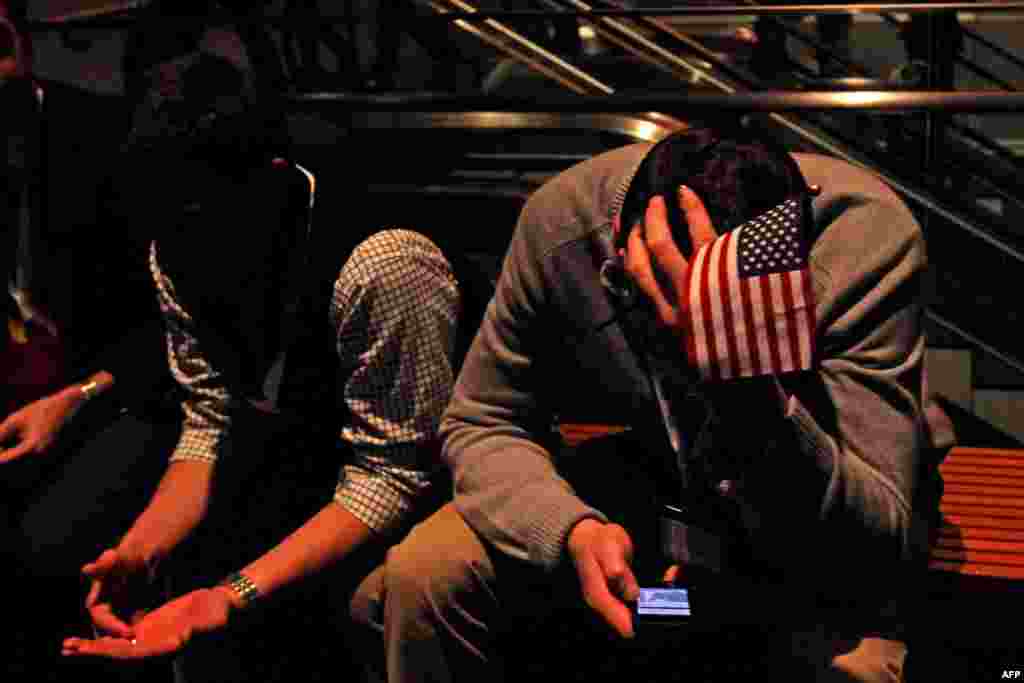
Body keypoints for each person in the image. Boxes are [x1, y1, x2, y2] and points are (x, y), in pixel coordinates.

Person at [349, 124, 928, 682]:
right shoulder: (564, 226)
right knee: (422, 576)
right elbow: (484, 417)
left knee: (857, 667)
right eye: (644, 306)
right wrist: (570, 532)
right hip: (651, 499)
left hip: (803, 529)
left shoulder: (863, 241)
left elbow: (876, 544)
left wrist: (745, 389)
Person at [57, 51, 461, 682]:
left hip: (442, 477)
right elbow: (208, 420)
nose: (179, 254)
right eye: (165, 225)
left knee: (349, 605)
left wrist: (231, 596)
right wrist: (139, 551)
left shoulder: (380, 262)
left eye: (198, 220)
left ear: (269, 180)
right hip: (311, 460)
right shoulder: (177, 248)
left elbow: (393, 474)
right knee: (164, 578)